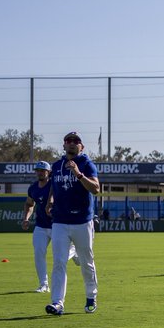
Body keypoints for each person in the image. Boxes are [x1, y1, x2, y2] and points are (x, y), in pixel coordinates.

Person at [44, 132, 101, 316]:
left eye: (76, 141)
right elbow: (54, 184)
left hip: (82, 221)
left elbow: (96, 189)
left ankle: (91, 297)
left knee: (86, 262)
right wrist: (50, 200)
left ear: (81, 147)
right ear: (64, 145)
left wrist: (78, 174)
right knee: (59, 262)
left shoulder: (86, 164)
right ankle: (57, 303)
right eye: (68, 141)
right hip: (60, 221)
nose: (72, 144)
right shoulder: (57, 165)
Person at [20, 160, 76, 293]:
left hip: (57, 224)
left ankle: (74, 251)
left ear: (48, 172)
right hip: (41, 225)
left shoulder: (55, 185)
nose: (39, 172)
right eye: (38, 170)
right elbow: (29, 204)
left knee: (61, 256)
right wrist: (26, 218)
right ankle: (43, 284)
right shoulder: (33, 188)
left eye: (42, 170)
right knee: (39, 252)